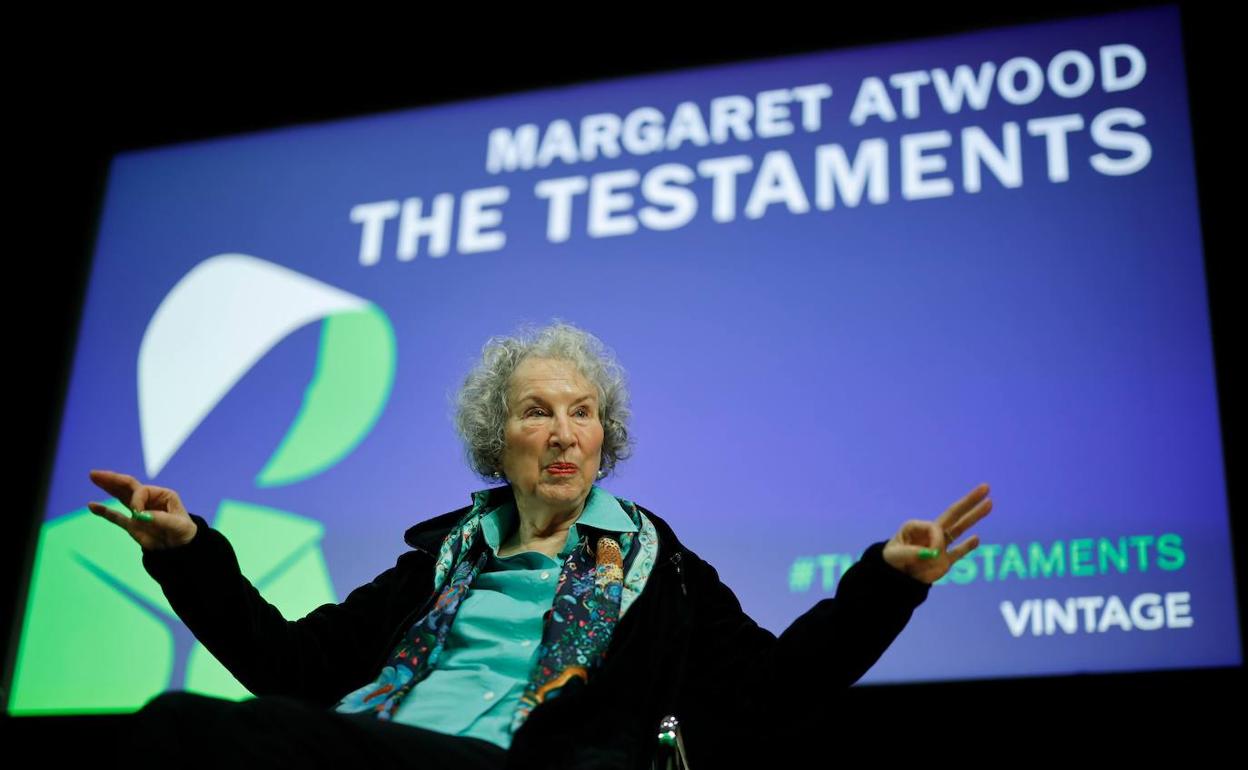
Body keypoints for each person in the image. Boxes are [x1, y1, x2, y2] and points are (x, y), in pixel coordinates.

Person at [85, 320, 992, 769]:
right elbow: (293, 663)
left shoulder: (655, 567)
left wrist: (888, 583)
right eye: (537, 412)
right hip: (377, 743)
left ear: (605, 439)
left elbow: (774, 686)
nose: (564, 433)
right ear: (498, 441)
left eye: (583, 413)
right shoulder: (444, 558)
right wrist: (186, 549)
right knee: (180, 731)